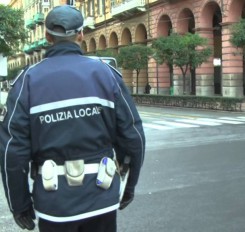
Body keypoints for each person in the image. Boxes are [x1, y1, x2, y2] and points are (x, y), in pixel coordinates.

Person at [0, 5, 145, 232]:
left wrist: (19, 204)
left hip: (54, 204)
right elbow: (133, 137)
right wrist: (130, 185)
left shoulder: (27, 81)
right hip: (101, 197)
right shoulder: (106, 74)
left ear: (47, 36)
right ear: (81, 34)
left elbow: (12, 150)